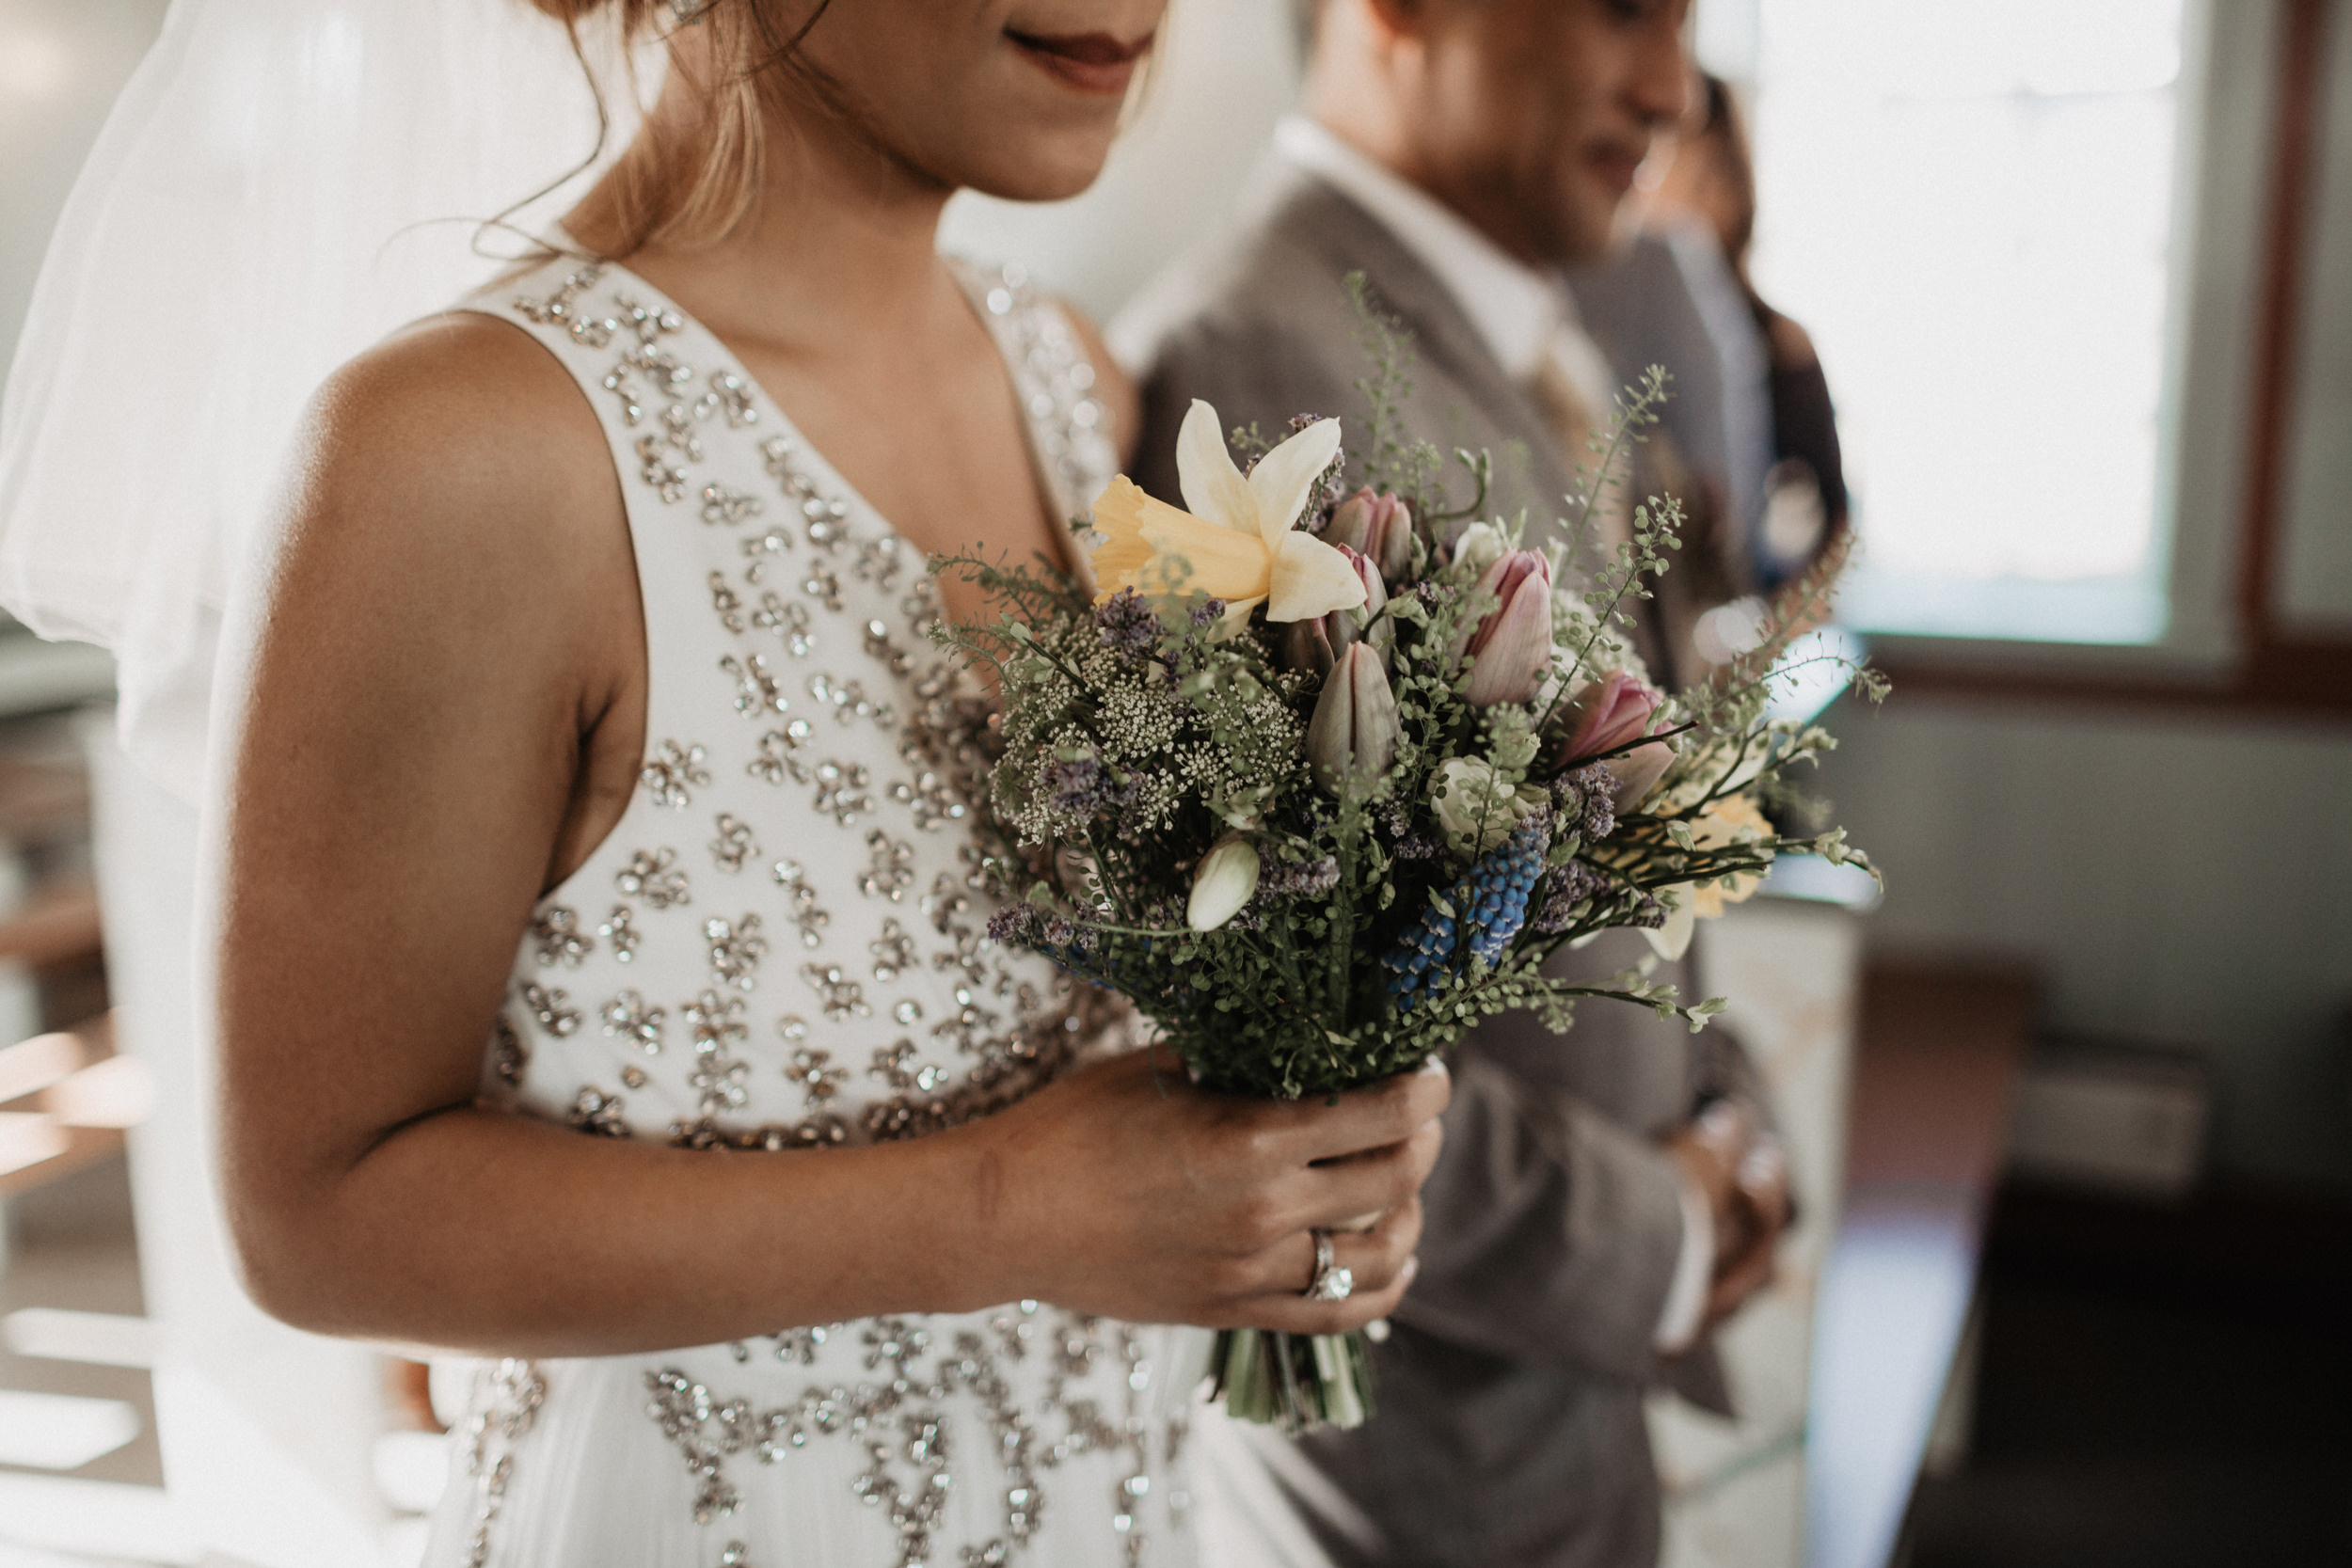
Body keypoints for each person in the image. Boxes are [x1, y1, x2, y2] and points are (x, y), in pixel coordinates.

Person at [2, 2, 1454, 1562]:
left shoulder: (1065, 375)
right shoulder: (462, 450)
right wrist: (1012, 1212)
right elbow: (313, 1219)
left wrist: (1289, 1135)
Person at [1112, 3, 1791, 1563]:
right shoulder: (1261, 351)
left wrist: (1728, 1111)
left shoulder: (1521, 326)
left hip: (1562, 1405)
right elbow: (1268, 1017)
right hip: (1423, 1444)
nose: (1671, 86)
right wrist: (1655, 1233)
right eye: (1623, 7)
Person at [1640, 70, 1849, 586]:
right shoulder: (1596, 329)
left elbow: (1833, 531)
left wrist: (1771, 630)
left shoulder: (1781, 345)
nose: (1686, 195)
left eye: (1708, 172)